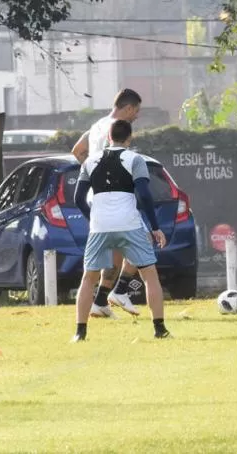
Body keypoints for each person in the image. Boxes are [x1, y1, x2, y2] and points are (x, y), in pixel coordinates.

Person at [72, 120, 169, 341]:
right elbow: (144, 195)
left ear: (108, 138)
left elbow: (78, 198)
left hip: (99, 227)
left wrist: (93, 218)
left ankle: (80, 332)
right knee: (149, 275)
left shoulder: (89, 161)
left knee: (88, 278)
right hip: (129, 225)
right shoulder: (135, 160)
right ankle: (159, 329)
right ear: (129, 138)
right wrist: (155, 228)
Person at [71, 88, 143, 318]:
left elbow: (78, 150)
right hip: (115, 197)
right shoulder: (116, 131)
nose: (137, 117)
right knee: (142, 239)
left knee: (114, 253)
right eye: (136, 111)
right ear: (128, 108)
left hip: (97, 199)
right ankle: (120, 291)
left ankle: (100, 301)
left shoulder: (96, 126)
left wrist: (92, 174)